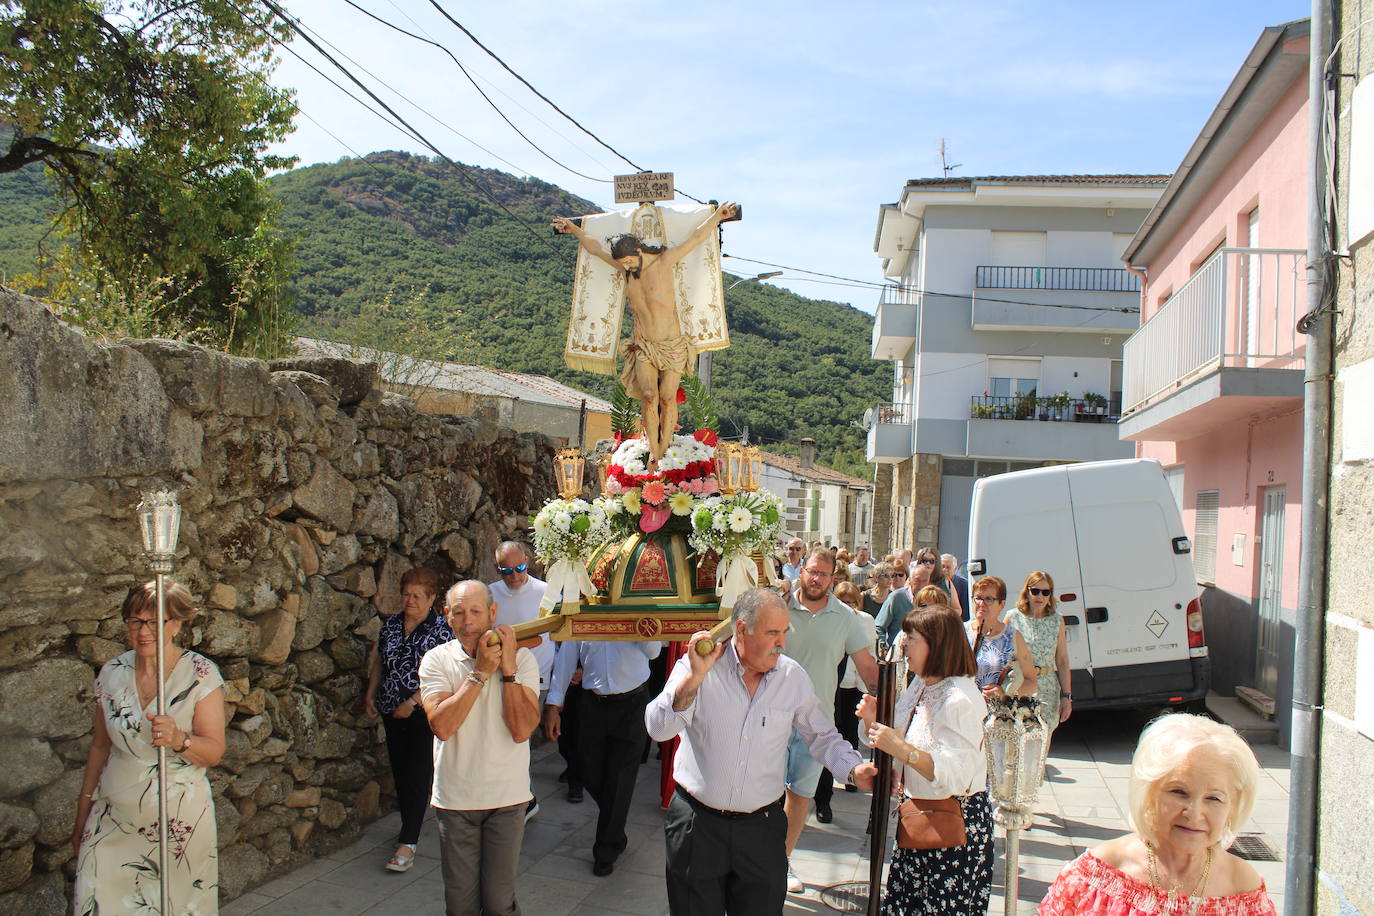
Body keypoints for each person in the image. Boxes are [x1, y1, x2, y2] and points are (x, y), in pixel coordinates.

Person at [645, 588, 878, 914]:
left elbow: (822, 736)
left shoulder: (792, 677)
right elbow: (658, 728)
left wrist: (854, 770)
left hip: (761, 831)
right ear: (741, 629)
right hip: (697, 827)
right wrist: (694, 679)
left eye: (784, 632)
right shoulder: (698, 668)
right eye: (772, 633)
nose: (781, 642)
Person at [73, 581, 226, 915]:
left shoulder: (200, 675)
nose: (144, 632)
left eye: (155, 622)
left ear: (177, 624)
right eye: (135, 621)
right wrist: (83, 809)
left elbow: (214, 752)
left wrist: (180, 740)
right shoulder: (111, 673)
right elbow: (99, 746)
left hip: (177, 828)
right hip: (112, 816)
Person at [553, 201, 738, 461]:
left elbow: (696, 238)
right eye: (623, 263)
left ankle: (663, 450)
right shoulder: (627, 271)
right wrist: (574, 229)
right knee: (649, 397)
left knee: (667, 398)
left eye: (630, 261)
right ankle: (654, 453)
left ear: (638, 251)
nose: (627, 267)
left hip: (672, 345)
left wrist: (717, 216)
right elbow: (595, 248)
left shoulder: (665, 261)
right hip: (644, 346)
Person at [1039, 713, 1275, 915]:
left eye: (1214, 798)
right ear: (1149, 792)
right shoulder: (1095, 876)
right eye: (1179, 792)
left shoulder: (1244, 888)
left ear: (1232, 805)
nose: (1194, 814)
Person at [858, 605, 993, 916]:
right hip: (919, 821)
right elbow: (897, 732)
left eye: (912, 638)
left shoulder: (958, 699)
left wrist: (902, 750)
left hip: (952, 831)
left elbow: (956, 774)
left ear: (937, 644)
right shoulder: (921, 683)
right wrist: (873, 720)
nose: (904, 644)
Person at [419, 581, 541, 916]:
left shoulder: (523, 659)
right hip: (456, 800)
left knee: (499, 903)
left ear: (492, 612)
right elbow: (442, 727)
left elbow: (522, 730)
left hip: (507, 798)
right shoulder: (436, 660)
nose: (468, 621)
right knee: (460, 906)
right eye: (459, 613)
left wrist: (509, 670)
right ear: (448, 616)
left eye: (476, 611)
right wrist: (479, 673)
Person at [781, 547, 880, 892]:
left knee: (799, 796)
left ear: (833, 579)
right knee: (764, 796)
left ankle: (782, 861)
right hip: (771, 719)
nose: (816, 579)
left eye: (823, 574)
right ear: (802, 572)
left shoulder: (845, 617)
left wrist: (888, 708)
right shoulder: (779, 606)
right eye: (812, 571)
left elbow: (867, 666)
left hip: (816, 725)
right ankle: (758, 862)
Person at [544, 638, 662, 876]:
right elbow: (568, 654)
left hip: (632, 703)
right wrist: (554, 703)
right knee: (585, 768)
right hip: (593, 703)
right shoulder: (585, 613)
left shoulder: (640, 613)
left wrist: (638, 625)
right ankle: (615, 827)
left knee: (620, 779)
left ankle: (605, 851)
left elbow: (653, 652)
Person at [364, 567, 453, 872]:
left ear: (431, 598)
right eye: (406, 594)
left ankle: (408, 842)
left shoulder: (441, 630)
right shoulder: (391, 625)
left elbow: (444, 674)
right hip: (390, 710)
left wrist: (413, 702)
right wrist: (371, 693)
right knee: (400, 771)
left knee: (417, 773)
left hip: (422, 713)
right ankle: (408, 827)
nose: (410, 600)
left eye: (417, 596)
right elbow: (381, 662)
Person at [488, 540, 554, 821]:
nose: (515, 575)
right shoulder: (490, 594)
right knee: (504, 740)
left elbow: (556, 638)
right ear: (496, 569)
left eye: (520, 568)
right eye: (507, 571)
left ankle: (524, 800)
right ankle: (518, 797)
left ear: (528, 561)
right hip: (500, 677)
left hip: (535, 678)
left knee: (519, 738)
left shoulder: (547, 592)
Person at [813, 581, 875, 822]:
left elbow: (869, 655)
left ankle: (845, 778)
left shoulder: (864, 621)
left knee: (847, 733)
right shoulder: (826, 618)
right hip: (829, 686)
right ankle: (821, 796)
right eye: (843, 602)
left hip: (853, 686)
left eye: (852, 602)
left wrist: (871, 689)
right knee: (825, 737)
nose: (848, 606)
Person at [1006, 570, 1073, 733]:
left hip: (1047, 689)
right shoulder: (1013, 617)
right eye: (1035, 591)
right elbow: (1001, 655)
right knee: (1019, 739)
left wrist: (1067, 696)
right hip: (1020, 687)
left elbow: (1062, 660)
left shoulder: (1057, 620)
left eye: (1045, 592)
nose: (1040, 596)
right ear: (1027, 592)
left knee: (1043, 739)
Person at [965, 576, 1037, 701]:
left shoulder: (1012, 637)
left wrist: (1005, 693)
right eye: (978, 598)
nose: (981, 604)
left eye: (989, 599)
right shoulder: (959, 632)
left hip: (996, 711)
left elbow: (1031, 682)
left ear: (1002, 604)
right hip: (964, 709)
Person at [942, 553, 971, 622]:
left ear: (955, 569)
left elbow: (965, 613)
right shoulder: (933, 582)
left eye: (948, 567)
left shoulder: (964, 585)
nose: (945, 570)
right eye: (942, 566)